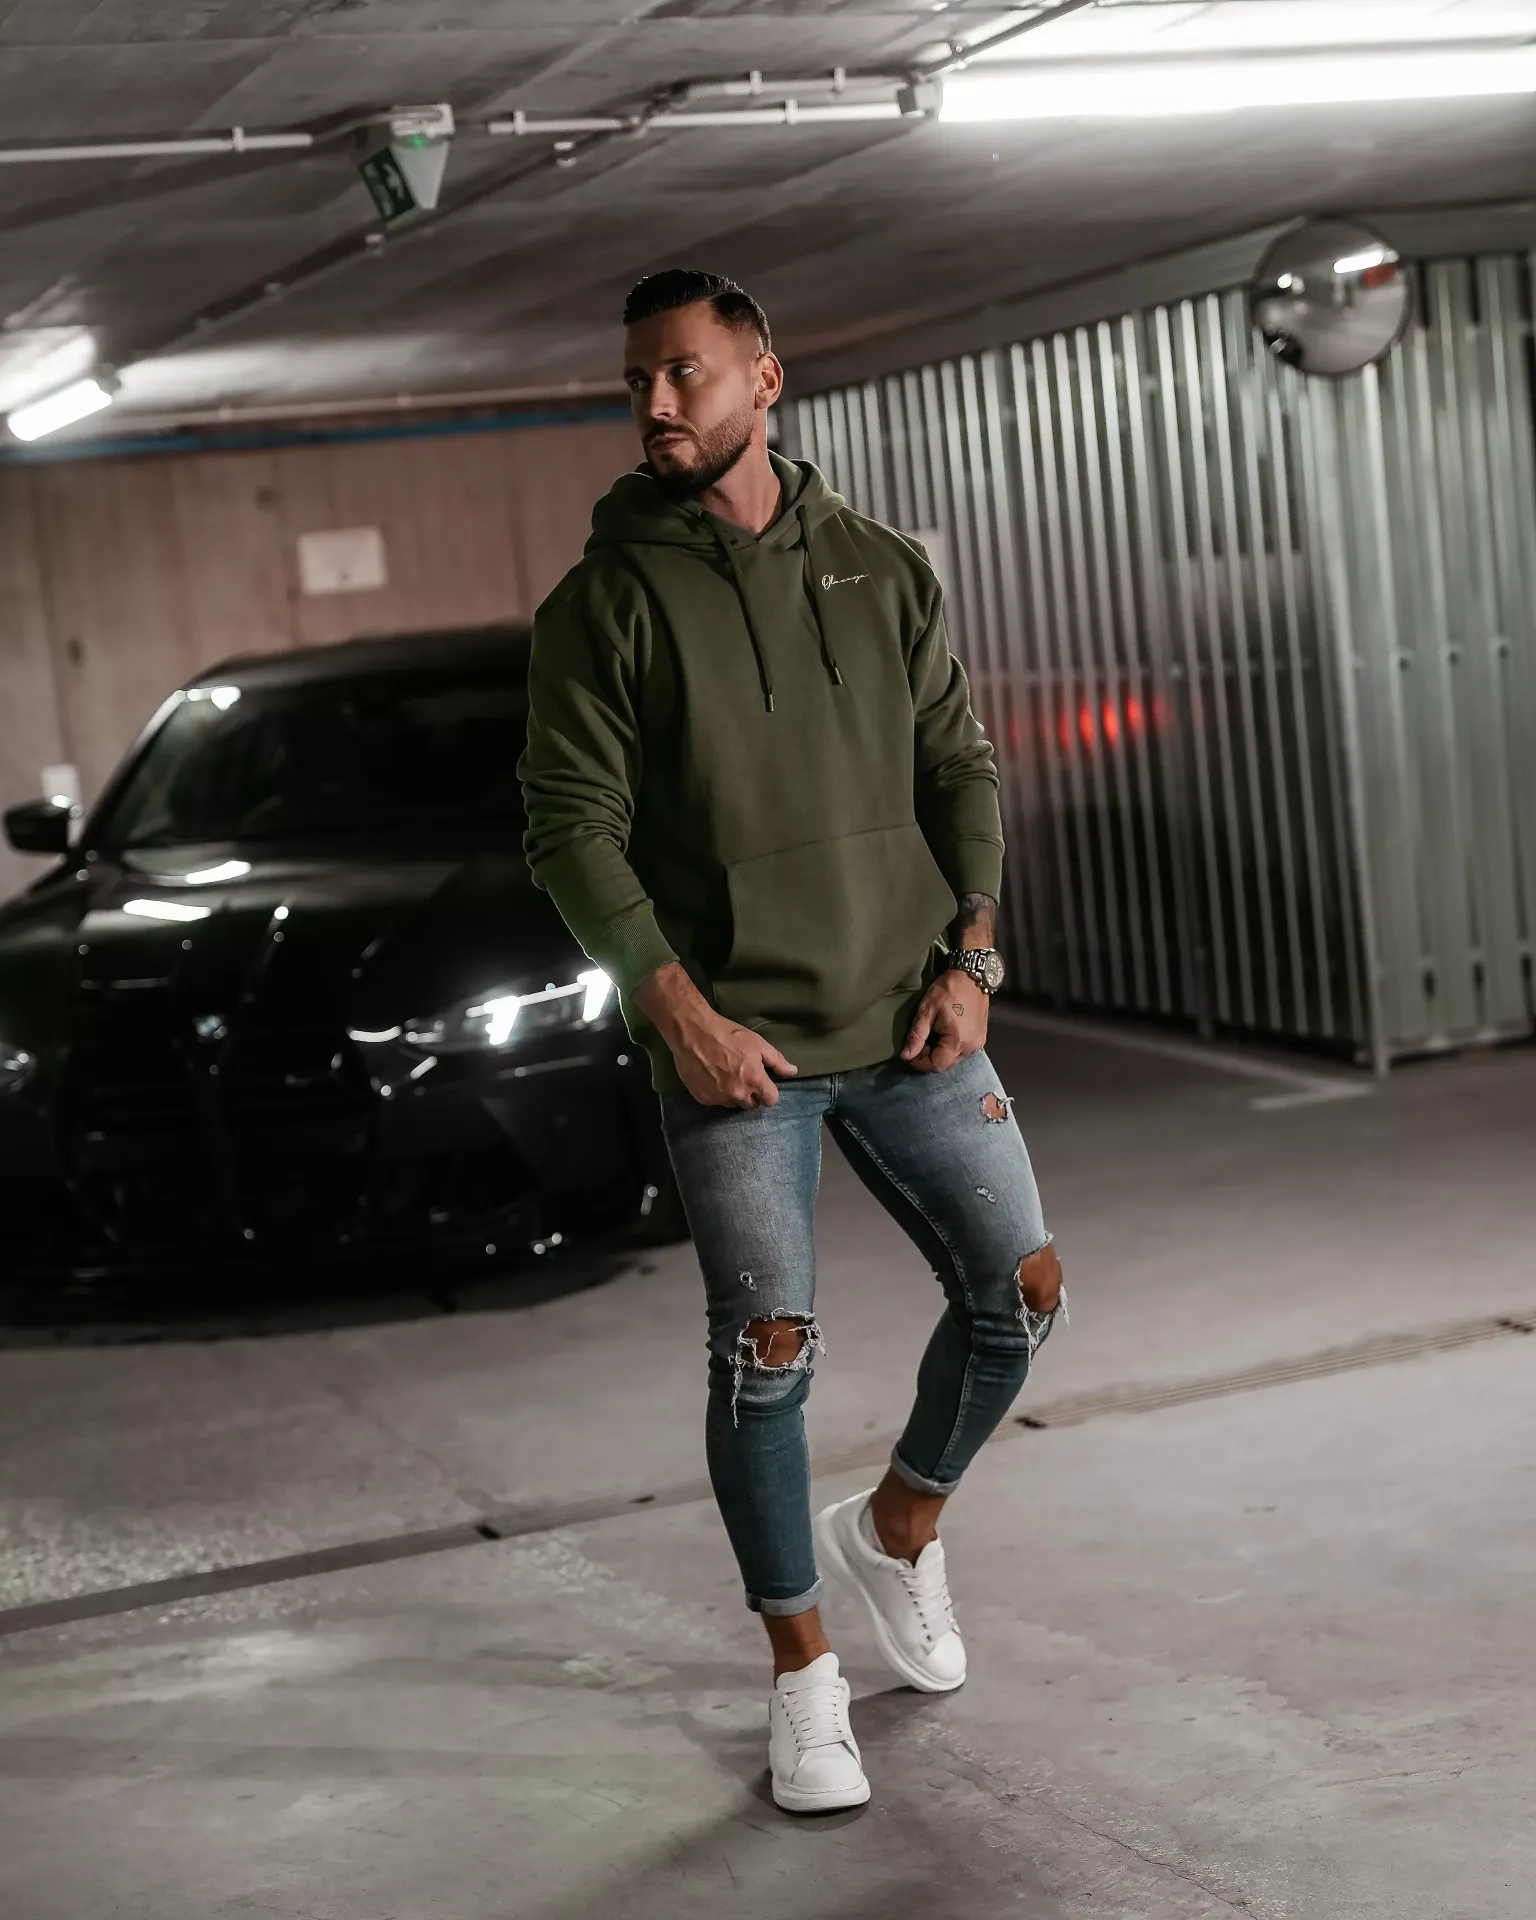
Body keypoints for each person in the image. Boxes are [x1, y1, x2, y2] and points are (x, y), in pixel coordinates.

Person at [519, 267, 1063, 1814]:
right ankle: (804, 1674)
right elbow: (570, 829)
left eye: (684, 372)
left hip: (913, 1018)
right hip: (738, 1054)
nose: (655, 403)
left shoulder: (880, 569)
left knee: (1023, 1296)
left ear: (766, 377)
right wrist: (675, 1010)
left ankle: (896, 1529)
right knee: (769, 1360)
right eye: (637, 380)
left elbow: (959, 765)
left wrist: (973, 955)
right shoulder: (603, 604)